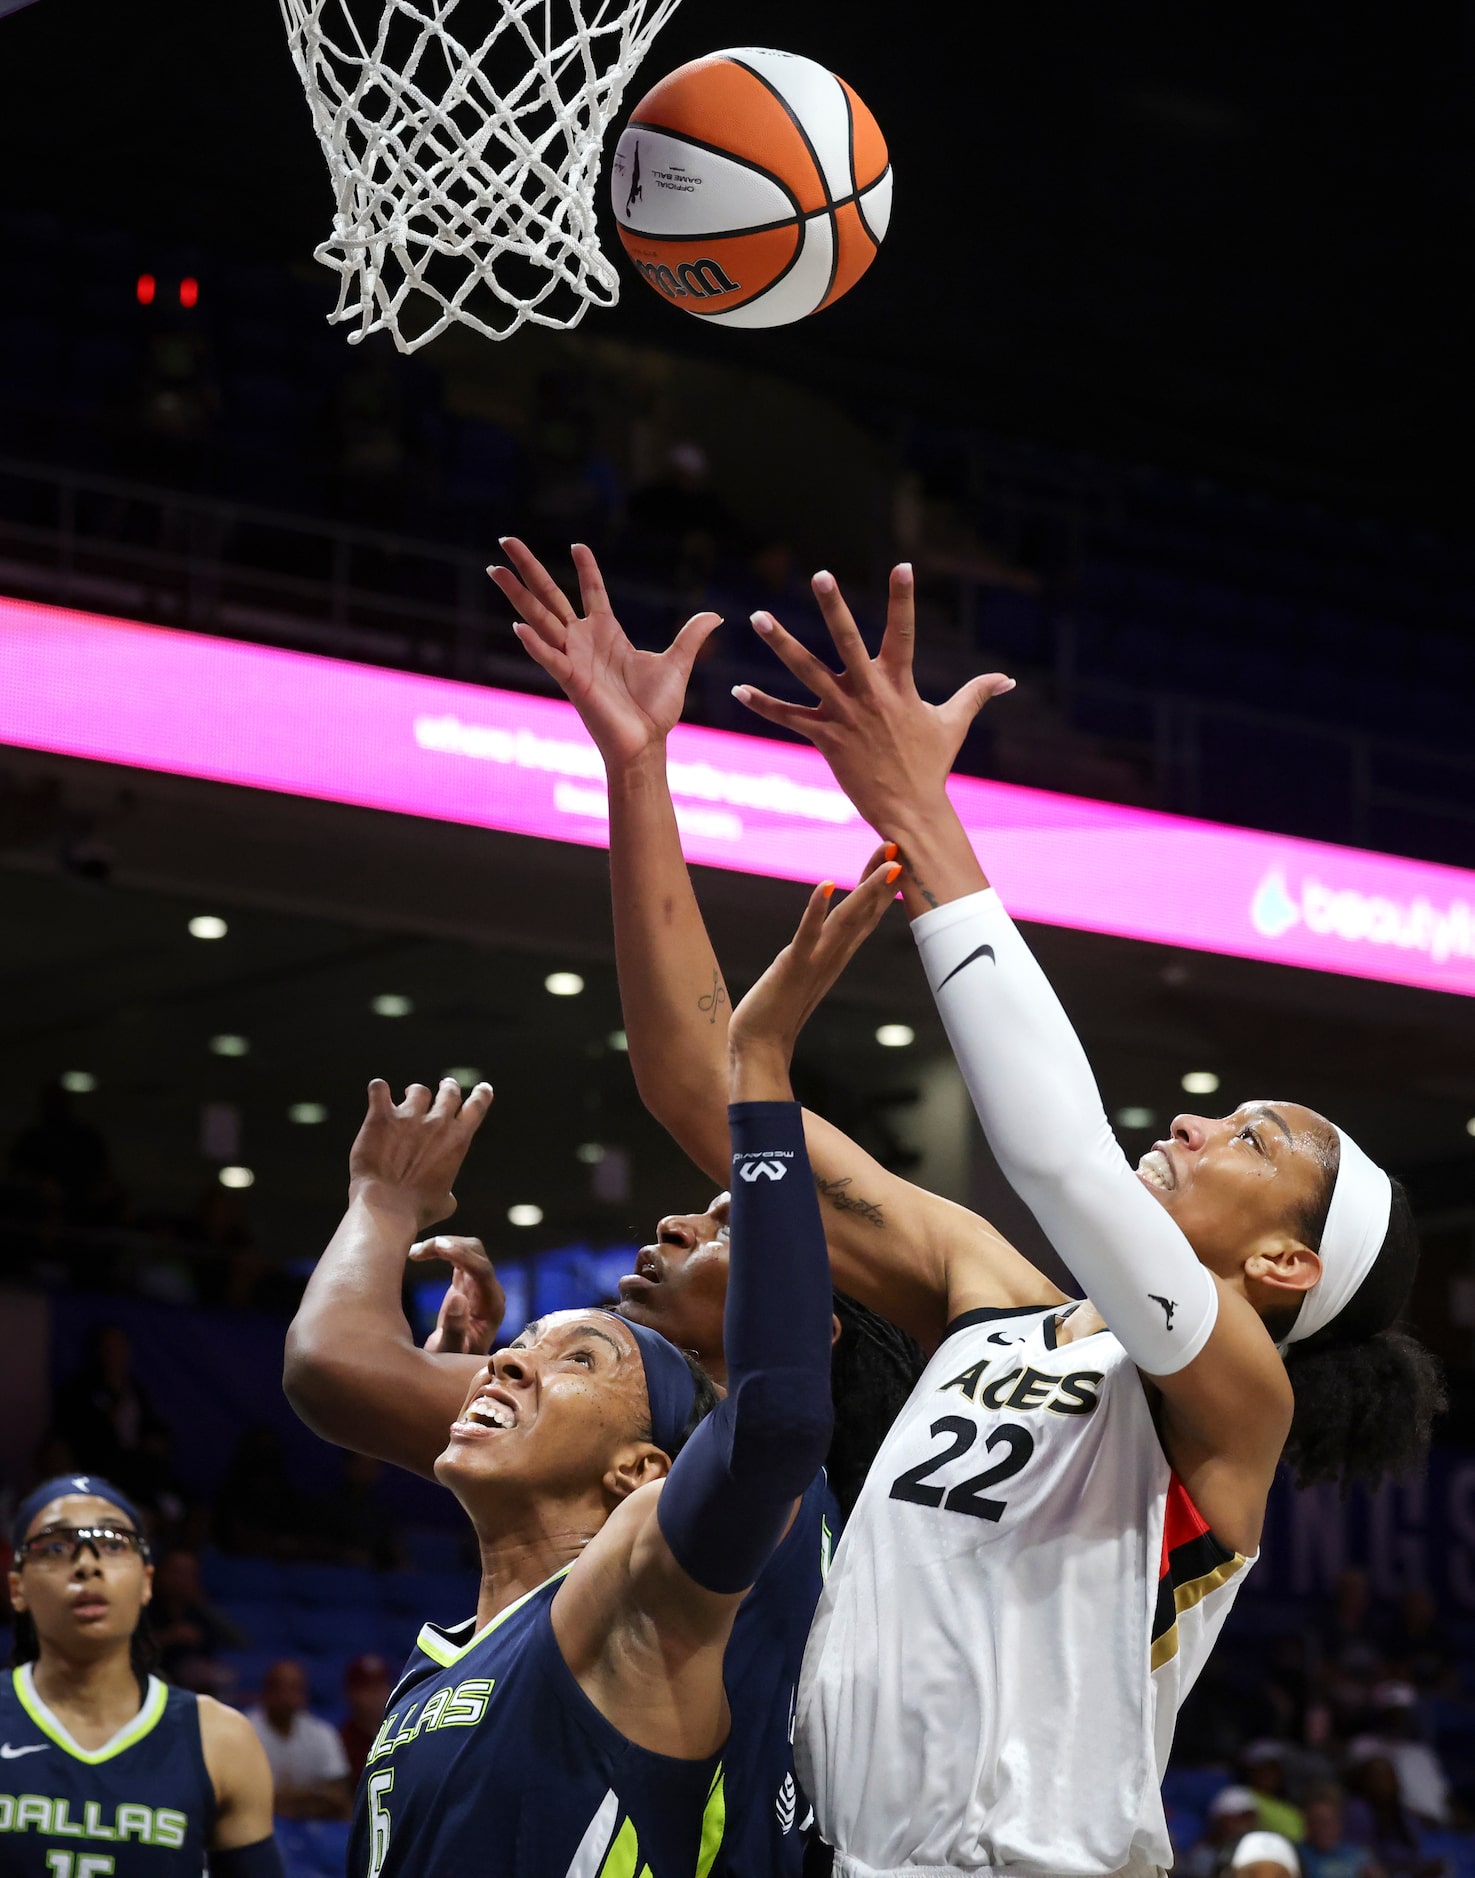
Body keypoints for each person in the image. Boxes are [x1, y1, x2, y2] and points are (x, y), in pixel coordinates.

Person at [717, 554, 1446, 1876]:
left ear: (1285, 1258)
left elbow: (1061, 1160)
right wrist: (633, 767)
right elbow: (693, 1089)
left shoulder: (1233, 1402)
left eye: (1249, 1136)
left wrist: (916, 814)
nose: (1189, 1121)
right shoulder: (1000, 1306)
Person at [293, 866, 894, 1874]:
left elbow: (330, 1364)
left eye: (725, 1225)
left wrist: (383, 1203)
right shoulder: (618, 1509)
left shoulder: (736, 1482)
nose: (670, 1225)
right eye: (526, 1351)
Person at [4, 1473, 279, 1875]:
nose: (87, 1564)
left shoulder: (221, 1739)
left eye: (113, 1545)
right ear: (17, 1588)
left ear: (146, 1581)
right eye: (57, 1546)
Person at [245, 1661, 351, 1824]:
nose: (286, 1696)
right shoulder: (244, 1731)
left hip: (315, 1826)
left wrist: (282, 1798)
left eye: (295, 1688)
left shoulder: (322, 1733)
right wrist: (310, 1796)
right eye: (280, 1688)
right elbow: (245, 1799)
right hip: (256, 1824)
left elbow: (338, 1795)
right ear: (266, 1692)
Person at [1299, 1786, 1379, 1878]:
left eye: (1331, 1821)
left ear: (1340, 1823)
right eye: (1319, 1822)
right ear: (1308, 1825)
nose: (1326, 1828)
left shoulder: (1359, 1855)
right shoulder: (1298, 1856)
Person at [337, 1655, 392, 1789]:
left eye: (379, 1687)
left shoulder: (402, 1734)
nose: (376, 1695)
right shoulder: (341, 1742)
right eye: (367, 1689)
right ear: (351, 1694)